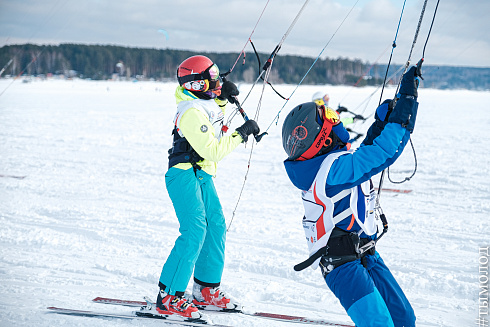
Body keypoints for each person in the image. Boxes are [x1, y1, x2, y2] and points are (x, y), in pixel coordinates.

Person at [282, 66, 421, 327]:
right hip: (341, 265)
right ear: (322, 139)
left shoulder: (330, 164)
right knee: (379, 324)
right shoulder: (331, 171)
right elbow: (381, 154)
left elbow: (364, 154)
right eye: (332, 118)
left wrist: (380, 124)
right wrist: (404, 110)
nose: (338, 120)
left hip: (364, 252)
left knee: (403, 318)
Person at [157, 55, 260, 319]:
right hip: (183, 175)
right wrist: (241, 133)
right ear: (196, 85)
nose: (216, 84)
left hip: (200, 174)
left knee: (214, 225)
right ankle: (169, 295)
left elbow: (214, 121)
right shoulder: (189, 111)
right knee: (195, 230)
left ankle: (205, 290)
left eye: (217, 79)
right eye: (211, 81)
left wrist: (223, 99)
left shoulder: (204, 104)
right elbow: (212, 150)